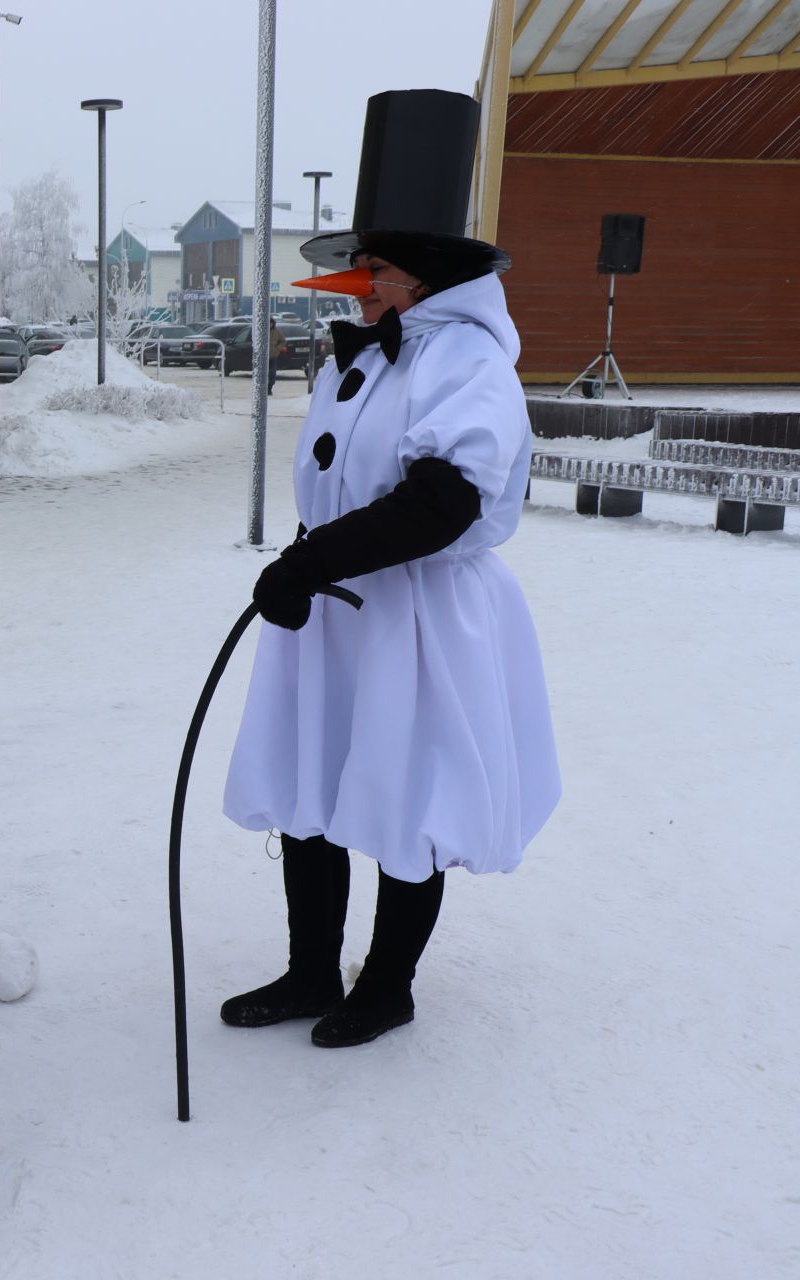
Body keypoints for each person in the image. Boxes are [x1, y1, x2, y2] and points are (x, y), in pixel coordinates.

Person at [220, 89, 560, 1049]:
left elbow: (443, 501)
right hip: (335, 606)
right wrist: (308, 563)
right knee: (309, 783)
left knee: (409, 790)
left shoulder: (469, 364)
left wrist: (312, 558)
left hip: (414, 612)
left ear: (420, 274)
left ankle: (390, 985)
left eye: (373, 270)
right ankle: (310, 970)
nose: (359, 285)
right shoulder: (363, 353)